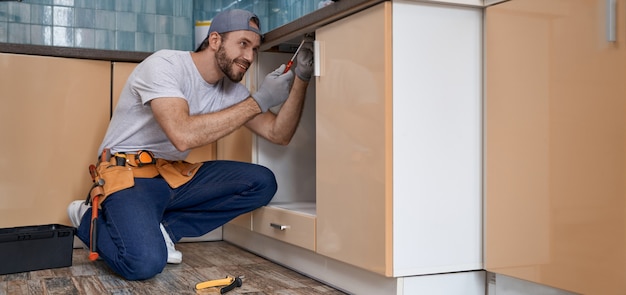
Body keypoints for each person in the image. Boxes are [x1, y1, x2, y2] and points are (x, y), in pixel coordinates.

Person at [67, 9, 314, 281]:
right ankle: (87, 217)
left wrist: (301, 78)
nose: (250, 57)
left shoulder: (231, 91)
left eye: (255, 49)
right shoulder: (165, 66)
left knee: (262, 182)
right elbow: (181, 134)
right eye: (243, 44)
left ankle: (167, 230)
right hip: (129, 177)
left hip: (172, 177)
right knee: (144, 263)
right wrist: (258, 102)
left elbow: (279, 134)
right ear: (215, 40)